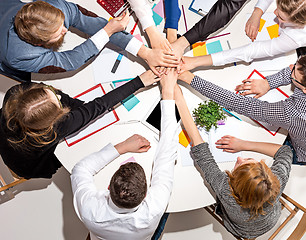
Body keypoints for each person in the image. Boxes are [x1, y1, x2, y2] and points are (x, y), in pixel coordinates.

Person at [71, 69, 179, 240]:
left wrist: (122, 147)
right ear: (145, 195)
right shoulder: (154, 209)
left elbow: (80, 169)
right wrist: (168, 92)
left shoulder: (89, 210)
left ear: (108, 186)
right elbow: (167, 153)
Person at [173, 84, 293, 239]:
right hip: (271, 220)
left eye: (239, 165)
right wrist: (245, 144)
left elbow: (202, 152)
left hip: (239, 230)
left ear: (234, 186)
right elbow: (285, 151)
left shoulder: (226, 193)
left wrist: (179, 99)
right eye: (248, 159)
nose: (239, 157)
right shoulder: (277, 181)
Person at [178, 53, 306, 164]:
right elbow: (295, 71)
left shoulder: (294, 113)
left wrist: (189, 78)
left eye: (293, 75)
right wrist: (268, 82)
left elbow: (241, 104)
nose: (289, 68)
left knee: (280, 150)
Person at [0, 70, 160, 179]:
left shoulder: (15, 92)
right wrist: (139, 82)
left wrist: (79, 108)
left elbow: (80, 106)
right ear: (52, 121)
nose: (58, 95)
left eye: (49, 91)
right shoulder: (55, 129)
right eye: (58, 103)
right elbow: (99, 106)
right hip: (26, 163)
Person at [0, 0, 178, 80]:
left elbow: (86, 21)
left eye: (62, 23)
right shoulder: (20, 56)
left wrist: (144, 52)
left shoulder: (55, 8)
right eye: (58, 32)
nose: (65, 29)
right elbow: (69, 61)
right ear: (39, 44)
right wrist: (107, 31)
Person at [173, 0, 306, 72]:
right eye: (277, 8)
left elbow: (251, 51)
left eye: (281, 18)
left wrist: (196, 61)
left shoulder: (296, 37)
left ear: (296, 24)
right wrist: (258, 12)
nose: (275, 15)